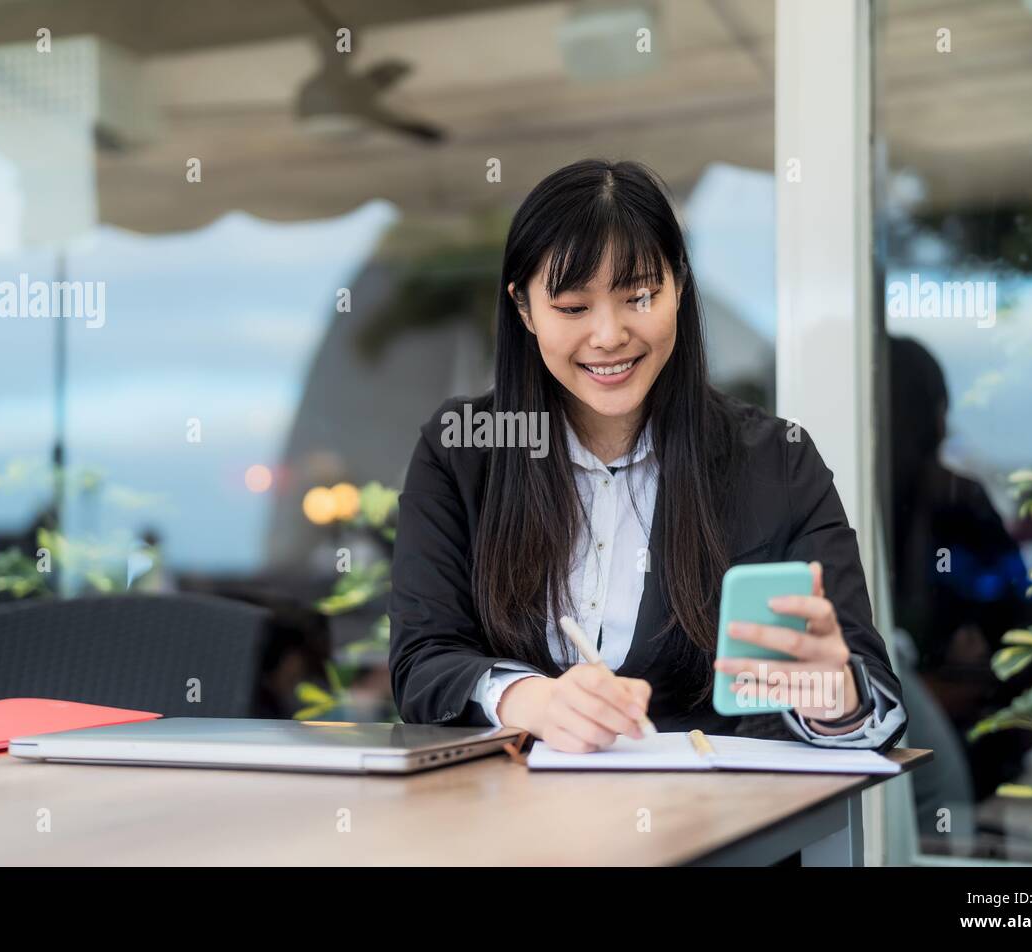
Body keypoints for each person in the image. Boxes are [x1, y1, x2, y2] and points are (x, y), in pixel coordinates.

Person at [388, 158, 906, 754]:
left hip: (722, 830)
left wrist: (832, 694)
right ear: (525, 310)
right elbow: (423, 664)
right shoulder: (464, 448)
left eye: (639, 296)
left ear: (679, 289)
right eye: (573, 308)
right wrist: (533, 699)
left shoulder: (776, 461)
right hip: (513, 828)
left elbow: (877, 703)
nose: (609, 335)